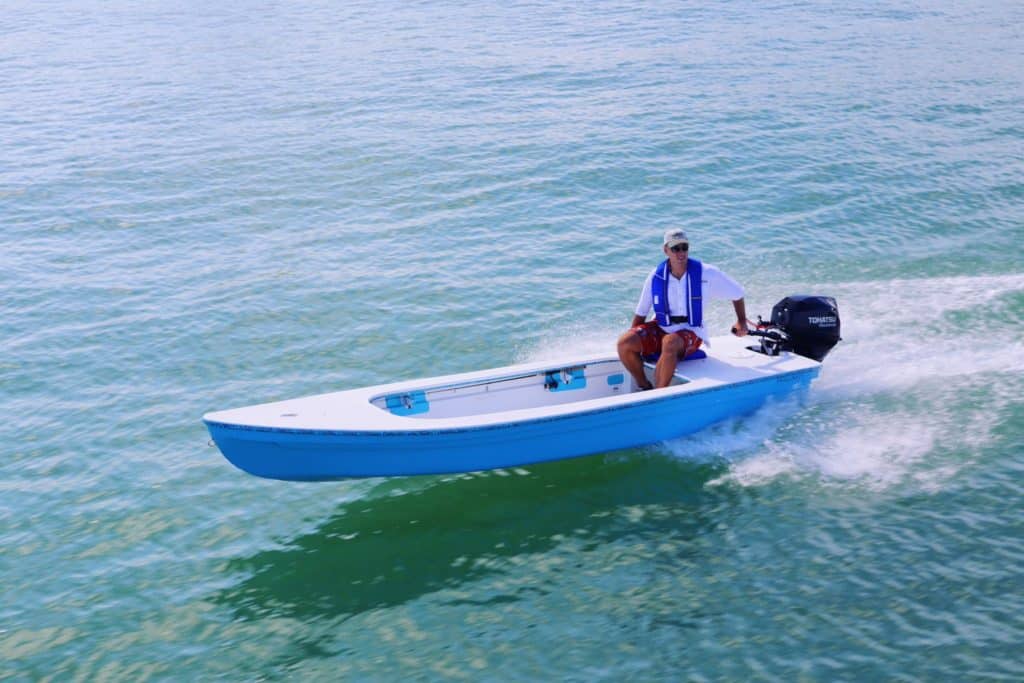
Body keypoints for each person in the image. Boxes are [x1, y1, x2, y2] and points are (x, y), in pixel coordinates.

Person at [617, 229, 748, 390]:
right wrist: (638, 343)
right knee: (624, 342)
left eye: (684, 247)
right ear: (666, 250)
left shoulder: (707, 273)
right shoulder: (655, 276)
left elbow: (737, 293)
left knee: (670, 342)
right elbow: (641, 314)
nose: (681, 253)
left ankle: (658, 395)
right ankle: (644, 386)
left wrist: (741, 321)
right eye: (675, 248)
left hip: (691, 332)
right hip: (661, 328)